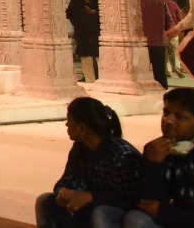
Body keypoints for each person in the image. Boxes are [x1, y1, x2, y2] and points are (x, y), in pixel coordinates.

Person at [94, 88, 194, 228]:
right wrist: (151, 164)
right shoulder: (159, 149)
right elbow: (145, 203)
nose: (168, 121)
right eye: (166, 113)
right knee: (123, 217)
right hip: (175, 219)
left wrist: (164, 211)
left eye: (180, 117)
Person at [34, 97, 140, 228]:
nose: (66, 124)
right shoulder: (80, 149)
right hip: (86, 209)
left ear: (81, 127)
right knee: (45, 201)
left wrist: (92, 197)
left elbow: (131, 199)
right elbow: (69, 179)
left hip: (117, 215)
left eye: (69, 120)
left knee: (100, 213)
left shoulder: (121, 153)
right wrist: (62, 191)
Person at [139, 0, 176, 90]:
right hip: (158, 42)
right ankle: (164, 95)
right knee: (160, 72)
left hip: (140, 43)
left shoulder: (134, 2)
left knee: (141, 74)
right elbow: (169, 22)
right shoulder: (160, 2)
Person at [69, 0, 101, 83]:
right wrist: (78, 26)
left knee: (100, 58)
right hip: (83, 33)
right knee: (86, 58)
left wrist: (94, 13)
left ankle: (102, 80)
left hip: (96, 32)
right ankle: (90, 81)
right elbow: (71, 15)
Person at [157, 0, 185, 79]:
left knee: (164, 51)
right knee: (174, 50)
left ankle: (168, 71)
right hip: (173, 30)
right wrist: (178, 29)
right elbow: (179, 17)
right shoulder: (173, 3)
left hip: (161, 32)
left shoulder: (156, 3)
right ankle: (176, 67)